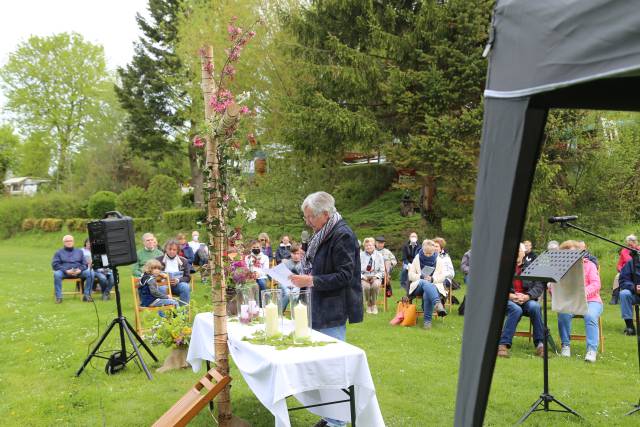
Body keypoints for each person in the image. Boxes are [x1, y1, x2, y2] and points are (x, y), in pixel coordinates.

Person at [289, 191, 363, 427]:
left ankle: (337, 422)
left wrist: (311, 280)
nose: (307, 221)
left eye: (310, 216)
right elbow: (319, 266)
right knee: (320, 367)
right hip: (317, 305)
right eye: (306, 217)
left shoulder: (342, 235)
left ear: (325, 214)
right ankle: (330, 417)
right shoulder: (322, 233)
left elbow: (345, 275)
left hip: (333, 309)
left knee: (332, 368)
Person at [555, 240, 602, 362]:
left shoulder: (590, 265)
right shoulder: (561, 268)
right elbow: (556, 287)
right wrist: (553, 288)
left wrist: (582, 293)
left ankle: (591, 350)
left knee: (590, 315)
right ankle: (565, 345)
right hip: (570, 301)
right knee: (563, 313)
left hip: (591, 300)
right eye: (567, 253)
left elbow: (596, 284)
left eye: (574, 252)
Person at [497, 243, 545, 358]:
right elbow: (496, 286)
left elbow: (539, 286)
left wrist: (527, 296)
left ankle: (540, 344)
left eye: (518, 250)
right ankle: (503, 345)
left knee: (535, 307)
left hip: (526, 299)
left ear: (523, 253)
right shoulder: (503, 266)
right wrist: (511, 296)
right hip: (508, 299)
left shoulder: (531, 267)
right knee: (515, 309)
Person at [407, 239, 448, 329]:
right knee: (424, 282)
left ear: (434, 251)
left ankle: (427, 322)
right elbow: (410, 275)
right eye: (427, 253)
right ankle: (437, 303)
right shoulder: (417, 258)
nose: (429, 255)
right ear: (423, 250)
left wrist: (432, 279)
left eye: (431, 253)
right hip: (418, 286)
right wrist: (421, 277)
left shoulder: (439, 260)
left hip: (434, 285)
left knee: (427, 294)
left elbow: (443, 277)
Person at [52, 235, 94, 303]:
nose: (69, 242)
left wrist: (79, 270)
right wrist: (66, 271)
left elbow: (85, 264)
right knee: (57, 274)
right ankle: (59, 297)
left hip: (78, 272)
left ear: (73, 242)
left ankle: (87, 296)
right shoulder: (58, 252)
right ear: (63, 242)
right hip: (64, 272)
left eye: (70, 241)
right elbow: (55, 265)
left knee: (91, 273)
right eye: (67, 241)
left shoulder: (79, 252)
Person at [156, 239, 191, 306]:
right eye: (170, 249)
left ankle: (182, 312)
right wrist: (161, 277)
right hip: (163, 285)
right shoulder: (158, 260)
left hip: (177, 285)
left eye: (174, 250)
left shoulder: (183, 261)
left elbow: (187, 277)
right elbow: (152, 275)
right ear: (166, 249)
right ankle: (165, 314)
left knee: (185, 287)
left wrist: (178, 280)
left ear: (177, 250)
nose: (171, 251)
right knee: (162, 288)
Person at [618, 248, 640, 336]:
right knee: (624, 294)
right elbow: (623, 281)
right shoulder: (631, 264)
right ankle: (630, 327)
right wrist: (634, 287)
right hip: (635, 294)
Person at [361, 237, 385, 314]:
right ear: (364, 247)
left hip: (375, 276)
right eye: (367, 245)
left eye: (370, 245)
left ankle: (374, 304)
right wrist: (363, 277)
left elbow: (382, 271)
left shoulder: (379, 255)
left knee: (375, 286)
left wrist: (375, 277)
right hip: (364, 276)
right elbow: (356, 270)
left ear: (374, 246)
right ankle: (368, 304)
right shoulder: (360, 255)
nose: (369, 247)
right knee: (366, 287)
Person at [279, 243, 304, 313]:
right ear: (291, 253)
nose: (296, 256)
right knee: (287, 293)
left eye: (298, 253)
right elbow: (281, 276)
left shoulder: (303, 263)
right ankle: (280, 312)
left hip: (298, 284)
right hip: (286, 283)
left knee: (294, 295)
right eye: (294, 253)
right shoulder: (286, 263)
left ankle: (295, 313)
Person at [245, 239, 270, 305]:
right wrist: (252, 273)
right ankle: (252, 304)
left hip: (261, 276)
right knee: (249, 286)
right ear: (251, 248)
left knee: (262, 283)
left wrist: (259, 274)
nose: (256, 249)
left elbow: (265, 270)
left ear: (261, 248)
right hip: (251, 276)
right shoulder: (248, 257)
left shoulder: (265, 257)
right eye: (254, 247)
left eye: (257, 247)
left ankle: (263, 304)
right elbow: (247, 267)